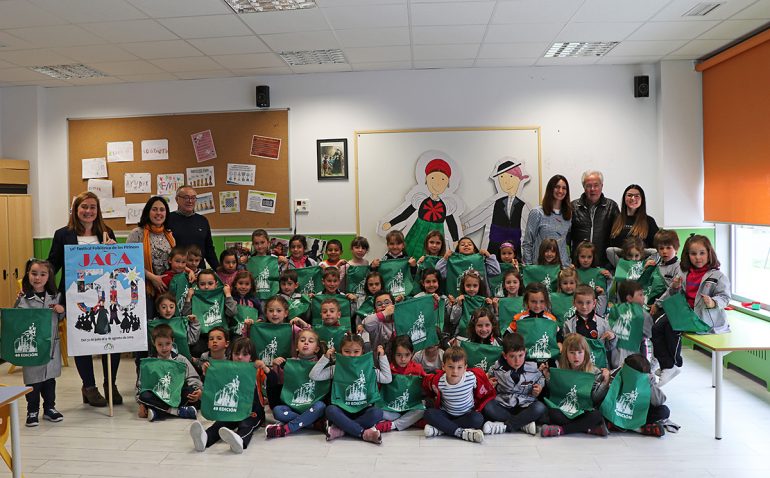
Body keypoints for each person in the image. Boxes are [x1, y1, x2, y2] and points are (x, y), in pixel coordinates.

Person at [47, 191, 120, 408]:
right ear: (75, 210)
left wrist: (115, 251)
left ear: (98, 211)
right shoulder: (63, 234)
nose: (88, 211)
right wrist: (39, 286)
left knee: (112, 340)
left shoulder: (107, 233)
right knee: (83, 342)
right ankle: (89, 387)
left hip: (104, 295)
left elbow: (115, 265)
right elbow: (53, 266)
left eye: (92, 207)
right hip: (75, 295)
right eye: (84, 207)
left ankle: (110, 384)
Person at [655, 235, 730, 386]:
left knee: (672, 328)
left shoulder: (717, 275)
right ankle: (666, 365)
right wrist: (671, 292)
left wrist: (713, 302)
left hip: (702, 318)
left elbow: (725, 297)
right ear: (687, 255)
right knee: (656, 327)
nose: (698, 257)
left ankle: (672, 365)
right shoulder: (684, 272)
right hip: (684, 313)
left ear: (709, 253)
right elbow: (673, 294)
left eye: (702, 253)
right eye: (693, 254)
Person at [310, 334, 391, 444]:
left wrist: (382, 357)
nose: (352, 355)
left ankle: (341, 430)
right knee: (330, 410)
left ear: (362, 351)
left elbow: (387, 378)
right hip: (343, 409)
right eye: (347, 351)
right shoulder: (336, 368)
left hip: (363, 409)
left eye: (356, 351)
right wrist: (326, 357)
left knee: (377, 413)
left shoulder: (369, 368)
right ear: (340, 352)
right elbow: (314, 375)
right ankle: (363, 433)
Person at [190, 337, 265, 453]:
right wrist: (207, 373)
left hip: (253, 411)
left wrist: (265, 369)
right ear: (231, 354)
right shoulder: (226, 369)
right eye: (236, 353)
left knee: (246, 424)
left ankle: (239, 440)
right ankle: (204, 439)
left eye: (245, 354)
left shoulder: (256, 370)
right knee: (221, 423)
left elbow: (273, 382)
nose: (240, 357)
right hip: (233, 408)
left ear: (252, 357)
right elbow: (216, 387)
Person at [15, 259, 66, 427]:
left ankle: (50, 408)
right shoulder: (23, 298)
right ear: (27, 275)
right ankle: (32, 410)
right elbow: (16, 320)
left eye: (42, 274)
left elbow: (60, 318)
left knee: (49, 380)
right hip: (32, 346)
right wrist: (18, 303)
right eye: (34, 273)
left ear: (49, 276)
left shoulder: (56, 296)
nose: (37, 278)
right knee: (33, 381)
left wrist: (61, 311)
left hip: (51, 345)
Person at [540, 333, 610, 437]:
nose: (576, 356)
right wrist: (547, 376)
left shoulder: (594, 371)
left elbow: (595, 399)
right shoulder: (561, 370)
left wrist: (605, 382)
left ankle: (561, 430)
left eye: (579, 352)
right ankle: (587, 429)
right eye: (572, 352)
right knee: (553, 413)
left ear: (585, 353)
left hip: (583, 411)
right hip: (565, 410)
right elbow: (555, 392)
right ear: (566, 354)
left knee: (596, 415)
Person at [422, 345, 496, 443]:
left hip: (467, 414)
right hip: (447, 414)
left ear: (465, 368)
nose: (455, 371)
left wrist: (488, 383)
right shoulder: (439, 381)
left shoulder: (472, 378)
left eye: (459, 367)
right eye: (450, 367)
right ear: (443, 366)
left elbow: (483, 386)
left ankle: (442, 429)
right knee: (428, 414)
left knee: (478, 419)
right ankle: (461, 432)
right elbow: (427, 384)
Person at [461, 158, 532, 258]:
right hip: (494, 249)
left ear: (518, 179)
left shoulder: (524, 205)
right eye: (502, 177)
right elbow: (480, 215)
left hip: (514, 250)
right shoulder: (494, 202)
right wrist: (464, 225)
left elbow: (532, 227)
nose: (506, 181)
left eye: (510, 177)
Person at [265, 329, 328, 438]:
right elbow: (279, 384)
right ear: (297, 347)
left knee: (321, 406)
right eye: (302, 340)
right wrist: (275, 367)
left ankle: (286, 429)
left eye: (310, 341)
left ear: (317, 349)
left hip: (313, 406)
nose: (306, 343)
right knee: (277, 411)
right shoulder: (289, 363)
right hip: (292, 406)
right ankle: (312, 424)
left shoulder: (321, 365)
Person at [482, 333, 546, 435]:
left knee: (540, 407)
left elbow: (541, 379)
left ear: (525, 352)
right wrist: (489, 385)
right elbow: (486, 379)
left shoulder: (533, 368)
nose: (517, 360)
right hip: (504, 405)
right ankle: (523, 424)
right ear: (505, 355)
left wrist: (539, 388)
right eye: (512, 356)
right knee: (488, 407)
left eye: (520, 355)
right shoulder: (496, 368)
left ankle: (505, 426)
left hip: (525, 406)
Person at [136, 324, 201, 422]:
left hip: (176, 395)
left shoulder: (181, 359)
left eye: (167, 343)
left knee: (190, 391)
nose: (164, 348)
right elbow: (141, 385)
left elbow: (193, 377)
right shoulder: (149, 363)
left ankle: (158, 412)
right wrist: (141, 404)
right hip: (158, 395)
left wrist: (198, 391)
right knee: (144, 395)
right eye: (160, 344)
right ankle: (177, 411)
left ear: (173, 342)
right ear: (154, 343)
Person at [126, 196, 175, 308]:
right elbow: (129, 262)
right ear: (148, 212)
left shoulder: (169, 235)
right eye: (154, 209)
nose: (158, 213)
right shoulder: (137, 233)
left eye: (162, 210)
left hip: (167, 289)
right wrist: (152, 278)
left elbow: (176, 260)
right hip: (145, 288)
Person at [375, 335, 427, 433]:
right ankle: (409, 421)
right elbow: (379, 390)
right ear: (393, 354)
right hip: (392, 409)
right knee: (377, 411)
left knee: (422, 409)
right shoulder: (388, 369)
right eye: (399, 355)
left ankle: (392, 425)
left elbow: (425, 386)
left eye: (407, 355)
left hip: (410, 407)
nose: (403, 359)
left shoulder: (418, 368)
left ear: (412, 353)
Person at [569, 171, 620, 268]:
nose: (593, 189)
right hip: (578, 265)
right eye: (588, 186)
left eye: (596, 185)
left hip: (603, 264)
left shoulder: (611, 206)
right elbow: (567, 237)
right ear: (584, 187)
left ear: (602, 186)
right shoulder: (573, 207)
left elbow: (617, 237)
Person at [521, 174, 572, 266]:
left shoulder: (568, 215)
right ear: (550, 189)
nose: (560, 191)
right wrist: (529, 267)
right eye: (557, 187)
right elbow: (528, 243)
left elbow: (565, 243)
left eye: (564, 188)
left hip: (562, 269)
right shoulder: (537, 213)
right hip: (541, 267)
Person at [166, 186, 218, 269]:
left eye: (193, 198)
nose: (190, 201)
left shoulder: (202, 221)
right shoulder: (168, 219)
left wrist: (218, 269)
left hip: (198, 271)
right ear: (177, 199)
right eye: (186, 198)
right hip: (176, 272)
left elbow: (209, 249)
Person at [609, 184, 659, 250]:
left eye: (637, 196)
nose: (632, 198)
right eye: (629, 195)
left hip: (641, 260)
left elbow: (658, 247)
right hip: (616, 260)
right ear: (624, 198)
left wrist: (650, 260)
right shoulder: (614, 219)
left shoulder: (649, 221)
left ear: (642, 199)